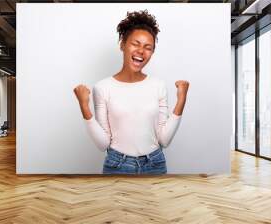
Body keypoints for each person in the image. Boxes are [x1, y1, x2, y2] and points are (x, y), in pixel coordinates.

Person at [73, 10, 189, 174]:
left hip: (155, 164)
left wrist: (181, 100)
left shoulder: (158, 85)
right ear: (122, 44)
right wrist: (84, 107)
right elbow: (103, 144)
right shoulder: (103, 87)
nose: (141, 51)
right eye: (136, 44)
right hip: (118, 166)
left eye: (148, 47)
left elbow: (164, 139)